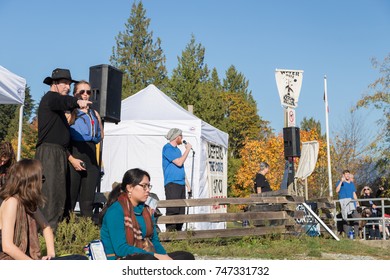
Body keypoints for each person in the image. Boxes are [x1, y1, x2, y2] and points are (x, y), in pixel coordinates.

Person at [35, 68, 91, 231]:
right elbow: (63, 102)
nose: (67, 87)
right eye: (64, 83)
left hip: (58, 153)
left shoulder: (57, 104)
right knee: (51, 195)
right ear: (54, 84)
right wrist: (77, 102)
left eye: (69, 83)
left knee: (59, 195)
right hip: (49, 153)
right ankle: (46, 236)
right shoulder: (51, 98)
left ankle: (54, 234)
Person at [100, 168, 194, 260]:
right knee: (148, 259)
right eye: (144, 186)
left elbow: (155, 242)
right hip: (121, 258)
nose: (148, 190)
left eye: (149, 186)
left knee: (186, 257)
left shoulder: (146, 210)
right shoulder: (116, 211)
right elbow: (121, 249)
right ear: (130, 188)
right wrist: (155, 256)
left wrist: (166, 258)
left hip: (146, 255)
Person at [66, 80, 103, 218]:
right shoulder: (70, 112)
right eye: (82, 91)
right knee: (70, 199)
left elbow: (101, 135)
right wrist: (71, 159)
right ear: (75, 93)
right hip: (75, 154)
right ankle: (65, 236)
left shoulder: (94, 113)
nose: (86, 94)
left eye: (88, 91)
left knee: (87, 202)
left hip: (91, 157)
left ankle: (86, 234)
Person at [162, 128, 192, 231]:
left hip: (180, 183)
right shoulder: (167, 148)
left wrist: (188, 185)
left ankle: (179, 235)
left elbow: (181, 169)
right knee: (172, 209)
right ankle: (170, 234)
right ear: (177, 137)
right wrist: (187, 149)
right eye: (181, 136)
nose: (182, 138)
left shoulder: (178, 150)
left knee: (181, 210)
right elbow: (179, 162)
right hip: (172, 183)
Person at [336, 169, 360, 238]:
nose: (347, 176)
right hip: (344, 202)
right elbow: (337, 191)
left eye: (348, 174)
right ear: (343, 175)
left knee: (356, 218)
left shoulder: (352, 184)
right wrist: (341, 181)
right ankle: (347, 235)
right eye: (346, 174)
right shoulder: (340, 182)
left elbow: (354, 193)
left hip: (352, 203)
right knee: (345, 218)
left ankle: (356, 235)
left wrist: (357, 201)